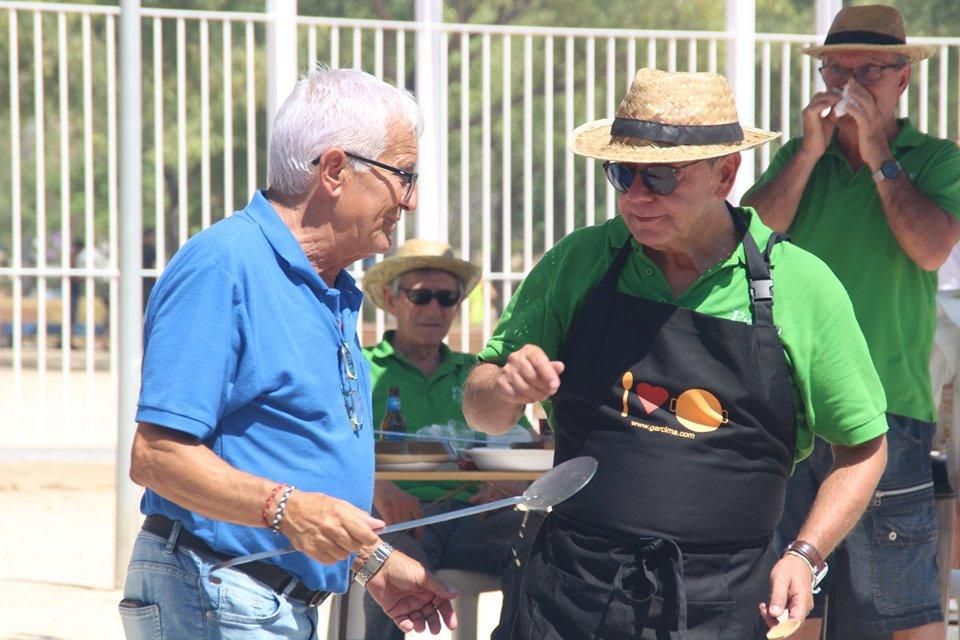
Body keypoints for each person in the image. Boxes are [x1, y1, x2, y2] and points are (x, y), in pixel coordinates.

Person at [462, 67, 889, 640]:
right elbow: (479, 412)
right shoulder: (581, 262)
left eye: (661, 178)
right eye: (623, 173)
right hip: (568, 599)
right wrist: (505, 389)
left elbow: (863, 449)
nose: (637, 196)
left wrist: (806, 555)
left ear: (726, 174)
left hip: (725, 609)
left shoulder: (800, 286)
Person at [119, 68, 457, 640]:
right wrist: (287, 509)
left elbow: (285, 453)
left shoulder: (332, 288)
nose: (412, 199)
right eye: (403, 175)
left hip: (262, 599)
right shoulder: (224, 267)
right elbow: (156, 458)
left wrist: (368, 562)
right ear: (333, 170)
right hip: (217, 590)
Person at [743, 5, 960, 639]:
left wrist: (879, 156)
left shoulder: (936, 159)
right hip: (792, 409)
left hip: (888, 408)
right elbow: (749, 242)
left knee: (904, 609)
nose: (850, 83)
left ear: (903, 79)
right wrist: (809, 154)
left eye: (869, 70)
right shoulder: (798, 157)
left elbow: (930, 249)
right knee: (786, 603)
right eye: (837, 69)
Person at [360, 238, 539, 640]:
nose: (434, 309)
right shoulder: (361, 369)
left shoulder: (476, 376)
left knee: (542, 542)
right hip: (398, 519)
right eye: (421, 296)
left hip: (475, 518)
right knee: (385, 558)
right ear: (390, 298)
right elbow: (326, 445)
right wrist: (378, 484)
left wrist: (511, 480)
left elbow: (529, 451)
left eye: (446, 297)